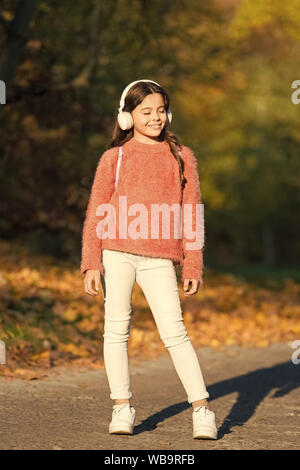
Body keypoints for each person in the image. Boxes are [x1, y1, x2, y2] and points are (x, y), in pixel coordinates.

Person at [80, 79, 218, 440]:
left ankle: (202, 409)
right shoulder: (115, 157)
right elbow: (97, 210)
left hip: (159, 258)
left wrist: (192, 263)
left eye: (160, 111)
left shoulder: (181, 156)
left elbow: (192, 214)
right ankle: (121, 407)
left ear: (168, 113)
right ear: (127, 117)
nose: (156, 118)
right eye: (146, 112)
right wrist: (91, 261)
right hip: (117, 253)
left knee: (175, 333)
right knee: (116, 329)